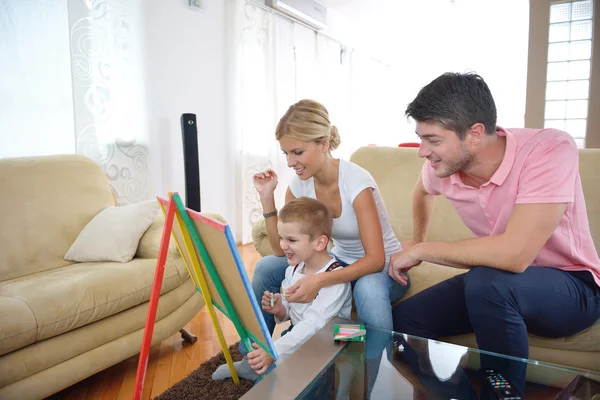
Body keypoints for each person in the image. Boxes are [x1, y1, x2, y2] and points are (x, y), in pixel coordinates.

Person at [390, 72, 600, 397]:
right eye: (421, 138)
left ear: (474, 133)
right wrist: (417, 237)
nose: (422, 151)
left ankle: (500, 395)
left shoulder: (549, 149)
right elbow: (423, 192)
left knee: (487, 281)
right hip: (494, 283)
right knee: (403, 324)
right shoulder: (439, 167)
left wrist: (421, 249)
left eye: (433, 140)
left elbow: (514, 256)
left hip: (573, 288)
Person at [213, 197, 352, 386]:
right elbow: (292, 311)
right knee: (269, 380)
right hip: (305, 337)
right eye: (281, 238)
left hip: (333, 344)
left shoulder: (335, 280)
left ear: (319, 243)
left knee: (277, 384)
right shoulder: (293, 268)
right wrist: (280, 309)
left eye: (291, 240)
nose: (283, 246)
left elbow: (313, 325)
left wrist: (274, 350)